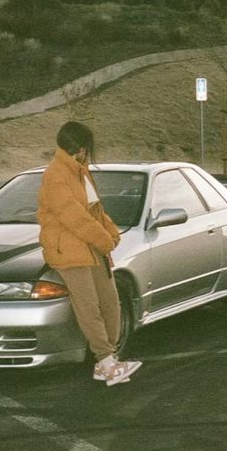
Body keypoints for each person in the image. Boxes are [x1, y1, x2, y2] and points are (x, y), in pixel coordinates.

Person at [37, 121, 141, 386]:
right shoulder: (56, 175)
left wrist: (111, 232)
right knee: (89, 307)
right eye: (87, 148)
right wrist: (105, 240)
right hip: (69, 251)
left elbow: (95, 210)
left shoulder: (79, 172)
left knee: (109, 302)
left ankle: (107, 361)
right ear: (81, 148)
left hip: (89, 248)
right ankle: (106, 363)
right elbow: (74, 217)